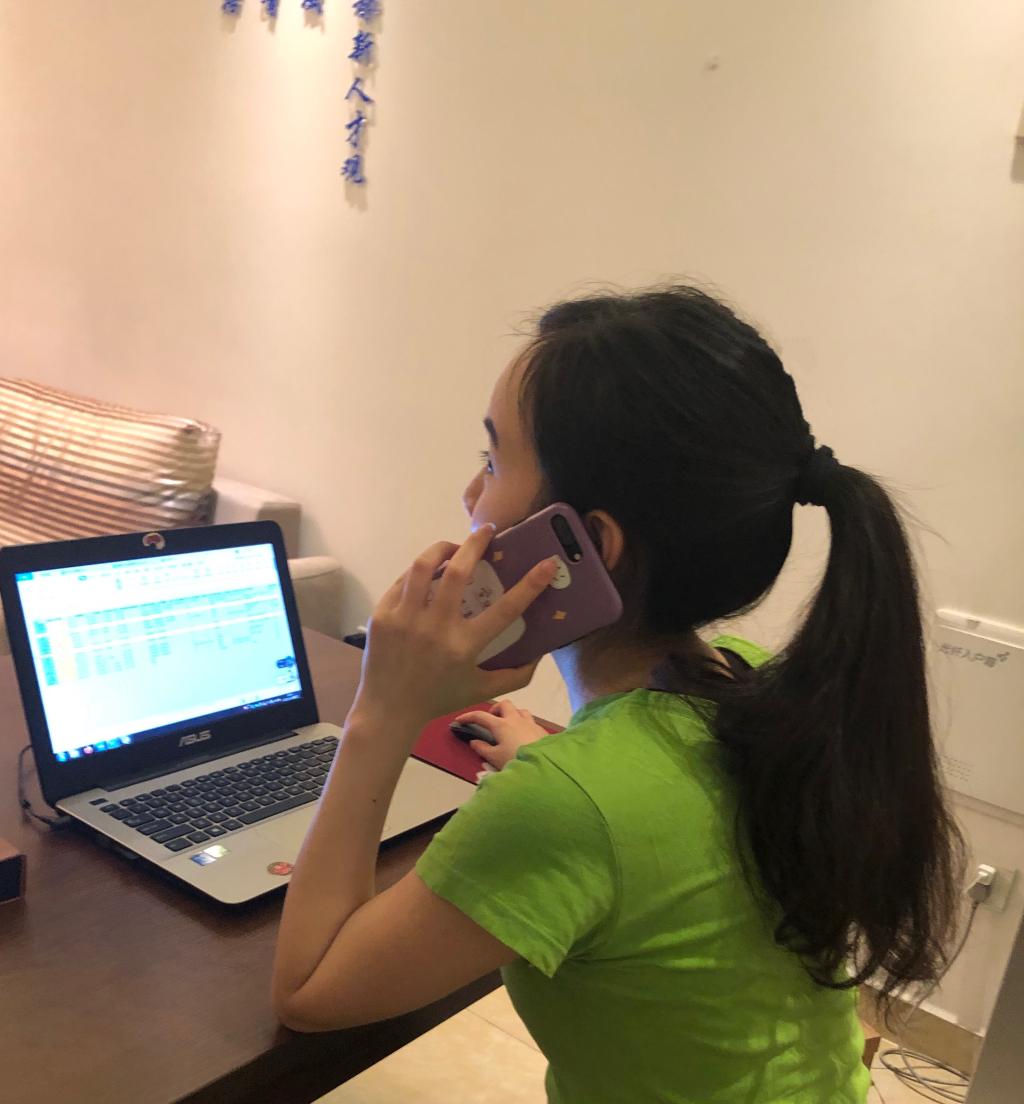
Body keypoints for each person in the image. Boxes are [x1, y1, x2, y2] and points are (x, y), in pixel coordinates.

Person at [271, 286, 965, 1103]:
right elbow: (662, 823)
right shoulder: (743, 679)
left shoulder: (566, 808)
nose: (469, 496)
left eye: (492, 462)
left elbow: (310, 991)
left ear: (584, 547)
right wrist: (564, 760)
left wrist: (380, 715)